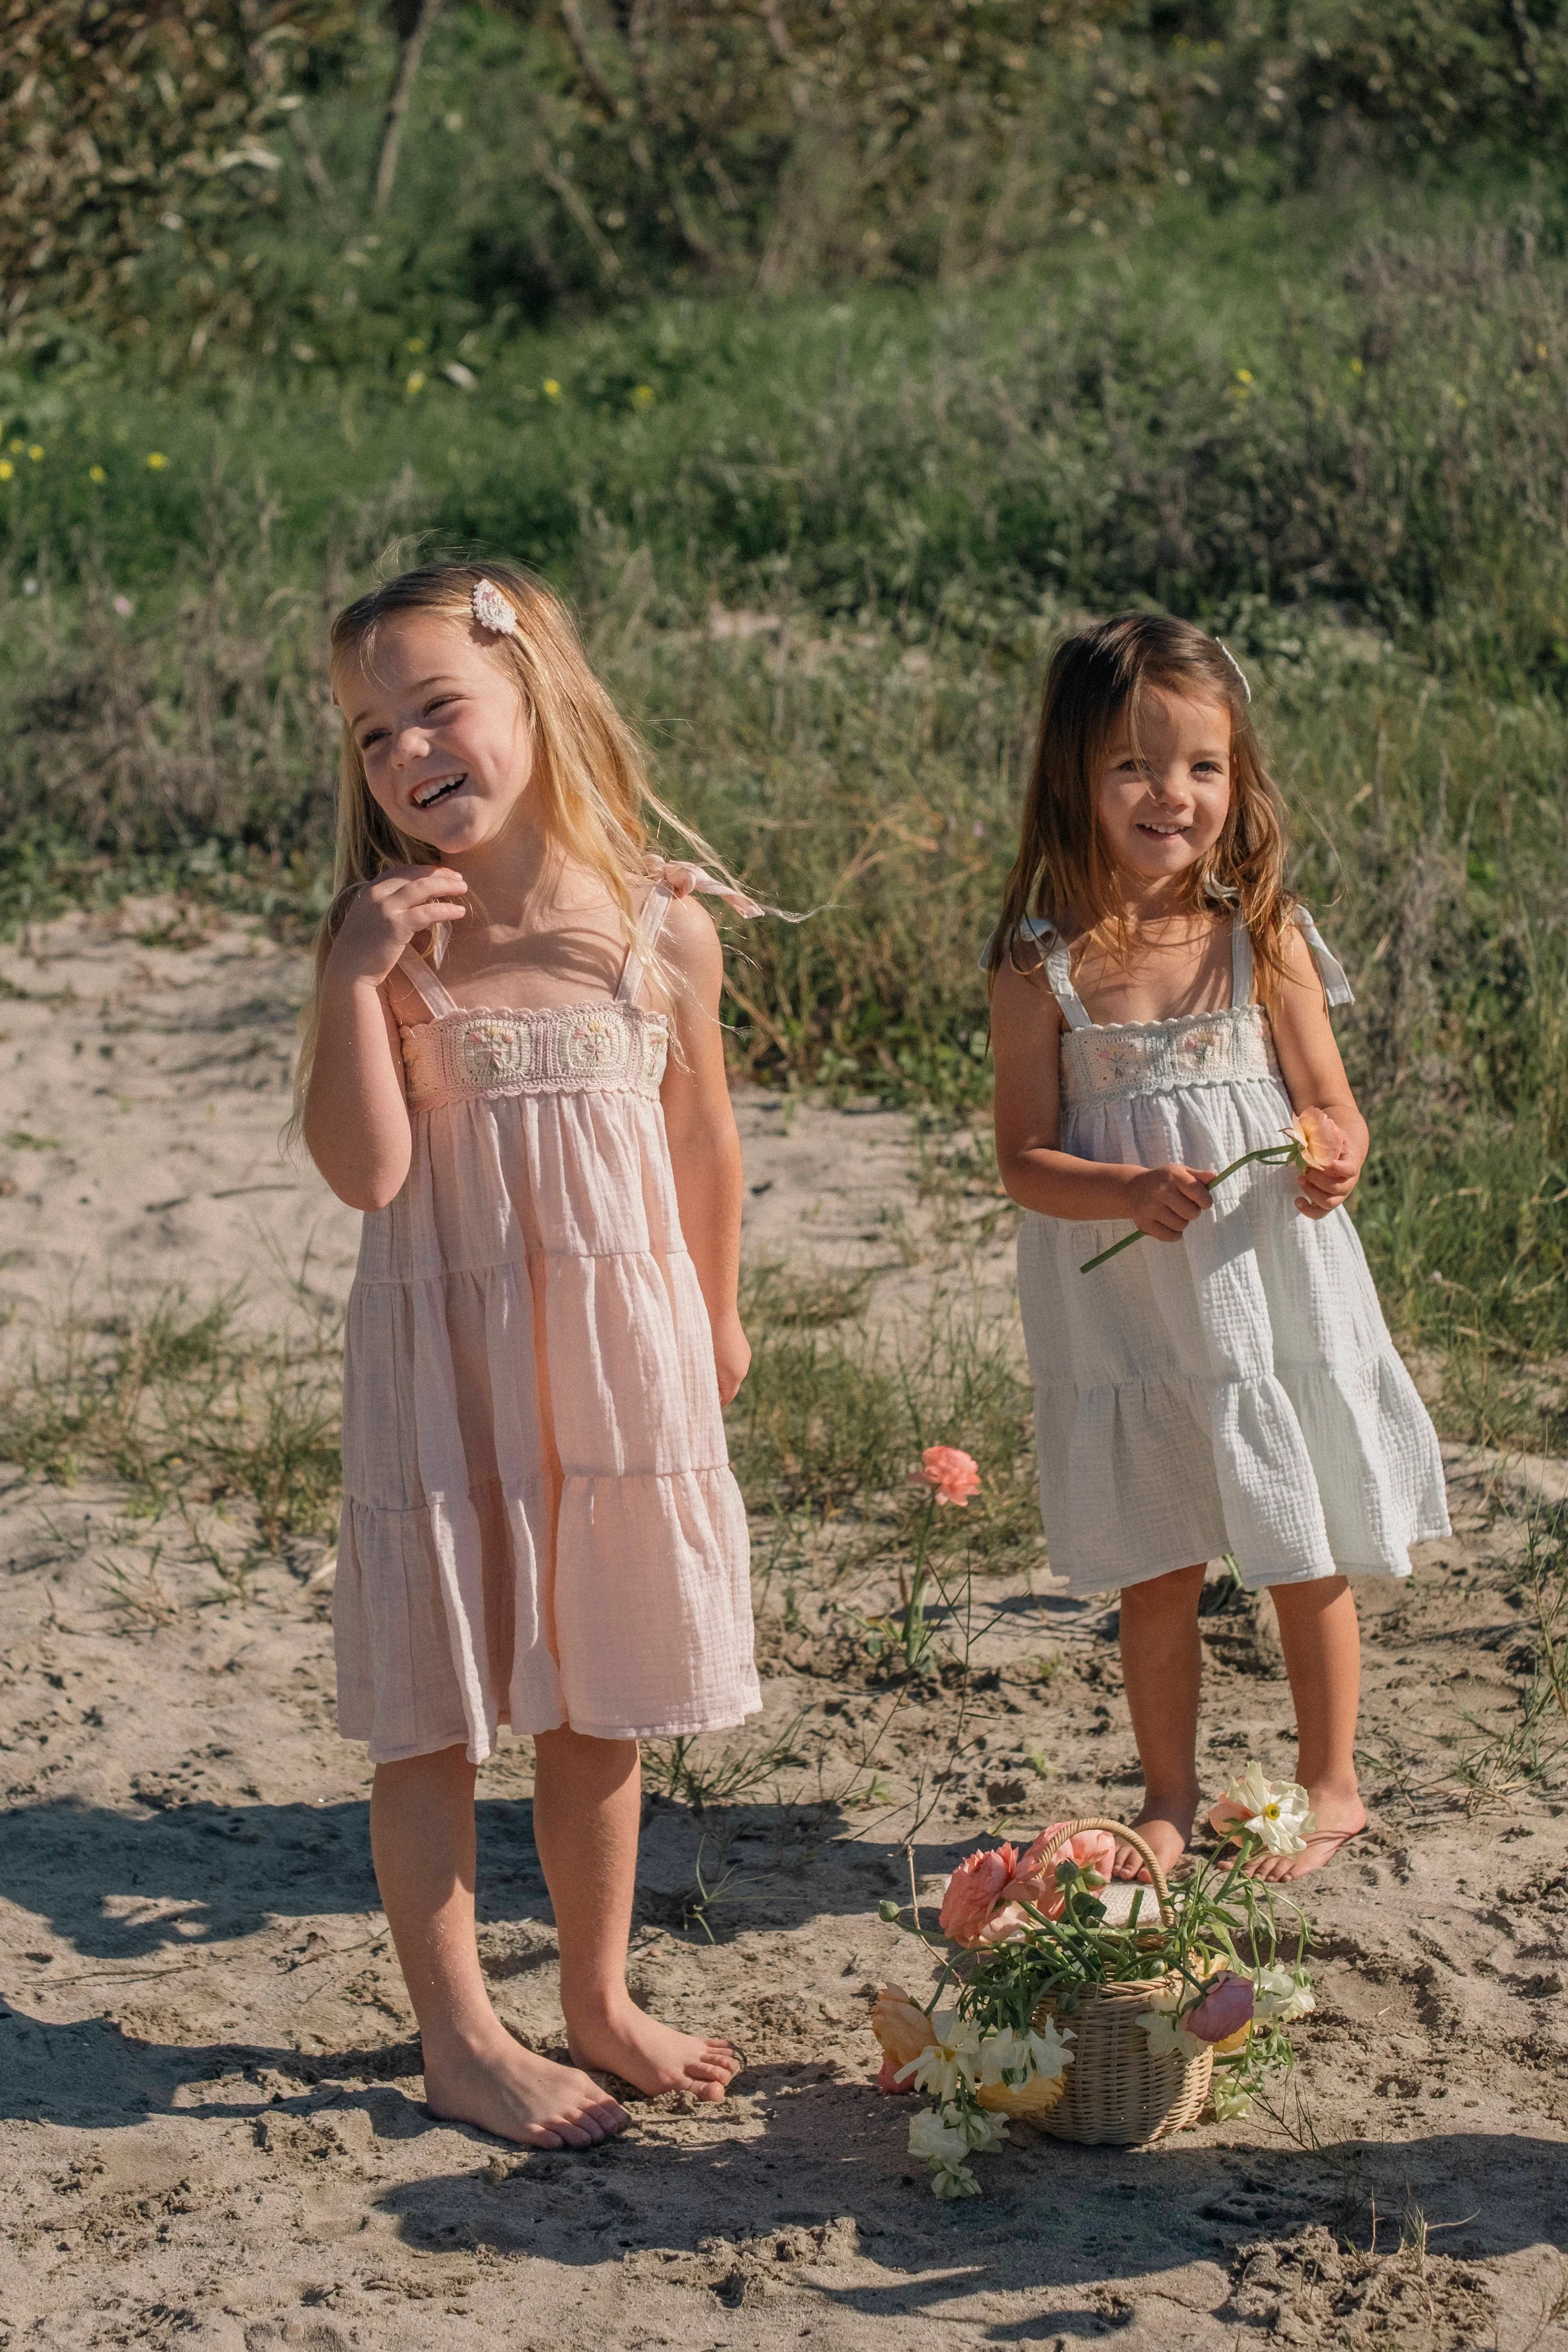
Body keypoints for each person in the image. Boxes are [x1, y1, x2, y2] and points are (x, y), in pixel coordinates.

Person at [298, 560, 760, 2146]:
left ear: (535, 701)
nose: (409, 751)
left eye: (439, 706)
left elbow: (703, 1136)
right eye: (371, 736)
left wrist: (718, 1309)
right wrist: (353, 976)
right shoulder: (384, 944)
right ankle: (459, 2033)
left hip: (612, 1357)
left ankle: (597, 1992)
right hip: (448, 1364)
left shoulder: (655, 922)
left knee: (600, 1685)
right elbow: (362, 1170)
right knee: (432, 1703)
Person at [986, 615, 1448, 1886]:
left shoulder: (1263, 933)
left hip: (1266, 1288)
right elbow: (1023, 1158)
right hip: (1135, 1306)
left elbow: (1332, 1103)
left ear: (1235, 778)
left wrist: (1335, 1148)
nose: (1171, 796)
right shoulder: (1040, 968)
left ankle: (1331, 1783)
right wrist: (1125, 1184)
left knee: (1299, 1530)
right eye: (1135, 766)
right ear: (1073, 774)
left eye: (1202, 767)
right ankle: (1170, 1796)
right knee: (1160, 1564)